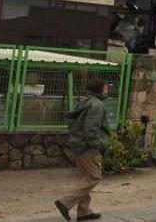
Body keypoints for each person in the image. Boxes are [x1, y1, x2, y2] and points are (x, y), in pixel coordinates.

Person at [54, 78, 110, 221]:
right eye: (105, 87)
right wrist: (96, 146)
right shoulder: (96, 105)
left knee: (85, 178)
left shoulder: (85, 101)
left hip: (79, 145)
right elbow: (91, 129)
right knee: (94, 177)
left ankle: (84, 212)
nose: (107, 89)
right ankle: (64, 202)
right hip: (88, 148)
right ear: (99, 89)